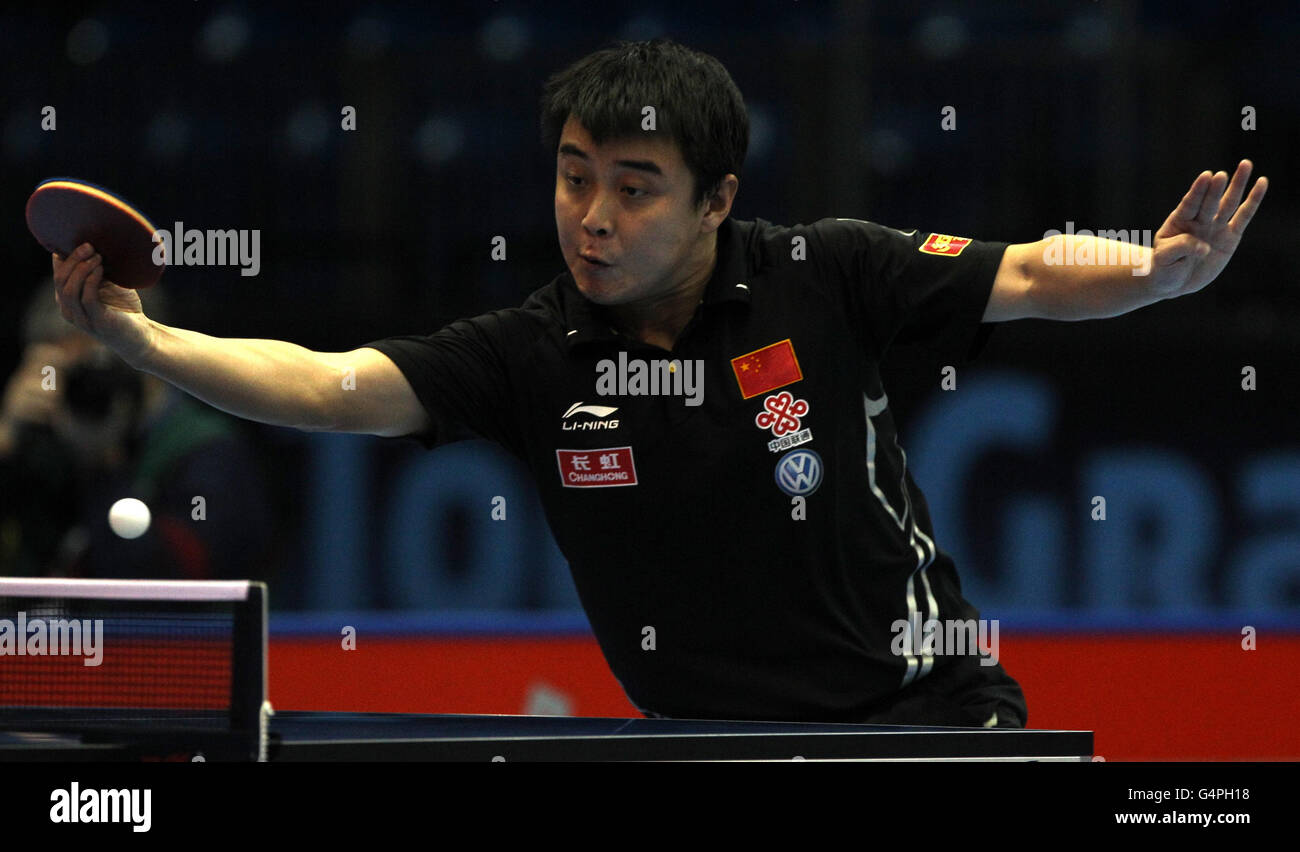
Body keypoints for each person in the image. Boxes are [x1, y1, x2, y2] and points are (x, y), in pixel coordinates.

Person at [47, 39, 1266, 725]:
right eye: (575, 175)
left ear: (716, 199)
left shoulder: (826, 273)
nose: (592, 215)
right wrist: (147, 341)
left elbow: (1033, 275)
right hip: (702, 746)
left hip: (921, 718)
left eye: (634, 185)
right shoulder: (529, 352)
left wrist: (1151, 275)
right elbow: (328, 385)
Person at [1, 282, 275, 581]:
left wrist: (104, 464)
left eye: (101, 369)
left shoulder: (207, 451)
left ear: (150, 360)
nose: (88, 390)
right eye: (71, 374)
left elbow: (169, 591)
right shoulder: (37, 442)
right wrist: (6, 437)